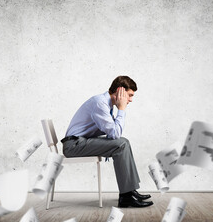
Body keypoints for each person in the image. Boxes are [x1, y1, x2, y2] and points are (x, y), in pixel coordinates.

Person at [61, 76, 153, 208]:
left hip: (80, 142)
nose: (131, 100)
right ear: (120, 91)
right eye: (129, 95)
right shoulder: (100, 103)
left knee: (123, 142)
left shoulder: (105, 103)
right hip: (73, 145)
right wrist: (121, 109)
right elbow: (115, 133)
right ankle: (126, 196)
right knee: (121, 144)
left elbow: (113, 132)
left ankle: (130, 191)